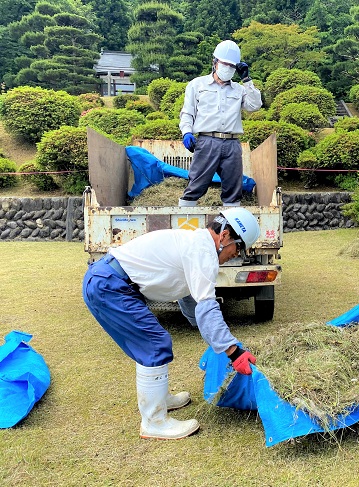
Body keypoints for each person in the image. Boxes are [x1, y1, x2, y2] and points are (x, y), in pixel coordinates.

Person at [82, 208, 261, 439]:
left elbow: (189, 297)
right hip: (109, 285)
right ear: (225, 235)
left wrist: (212, 336)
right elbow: (206, 306)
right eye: (238, 248)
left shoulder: (196, 243)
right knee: (154, 343)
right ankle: (154, 422)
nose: (236, 255)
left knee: (152, 342)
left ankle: (160, 399)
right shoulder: (203, 251)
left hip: (108, 281)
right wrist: (234, 352)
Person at [178, 40, 262, 208]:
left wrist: (247, 79)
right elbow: (188, 112)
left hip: (232, 143)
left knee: (233, 188)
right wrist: (187, 132)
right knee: (196, 185)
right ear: (215, 62)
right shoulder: (197, 84)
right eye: (225, 64)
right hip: (207, 141)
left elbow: (255, 105)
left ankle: (229, 229)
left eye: (232, 66)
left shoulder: (239, 89)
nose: (228, 68)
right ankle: (184, 224)